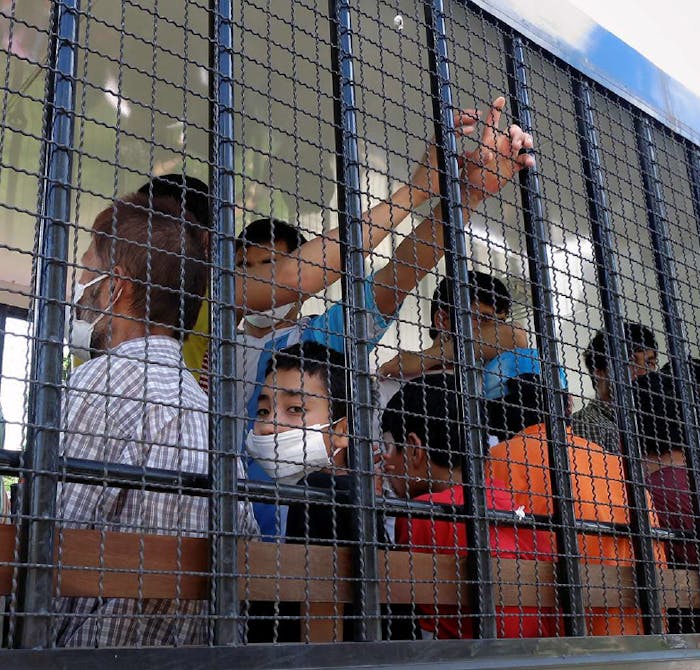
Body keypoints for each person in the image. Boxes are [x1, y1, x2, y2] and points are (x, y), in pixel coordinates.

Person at [231, 97, 535, 537]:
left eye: (271, 267)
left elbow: (396, 280)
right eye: (245, 266)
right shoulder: (207, 329)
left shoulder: (315, 342)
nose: (261, 281)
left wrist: (461, 198)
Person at [57, 193, 259, 647]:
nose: (79, 291)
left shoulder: (93, 386)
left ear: (116, 288)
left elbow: (44, 546)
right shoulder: (212, 419)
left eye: (88, 273)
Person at [485, 373, 664, 635]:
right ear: (567, 405)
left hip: (558, 640)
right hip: (635, 632)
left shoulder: (496, 460)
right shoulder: (613, 464)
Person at [380, 373, 556, 639]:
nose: (383, 460)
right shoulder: (507, 500)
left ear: (415, 449)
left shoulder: (421, 513)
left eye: (388, 447)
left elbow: (407, 607)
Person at [571, 322, 658, 454]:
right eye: (630, 361)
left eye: (649, 363)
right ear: (598, 371)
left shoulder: (655, 423)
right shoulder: (587, 424)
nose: (643, 371)